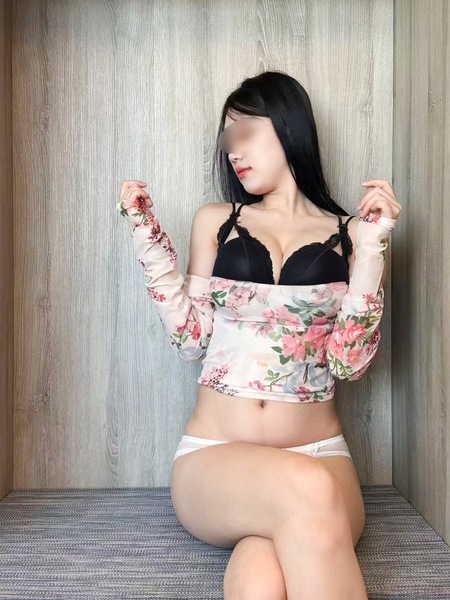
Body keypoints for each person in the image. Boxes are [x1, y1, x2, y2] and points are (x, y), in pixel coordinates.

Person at [117, 70, 402, 600]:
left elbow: (349, 364)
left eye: (245, 133)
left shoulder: (352, 234)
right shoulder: (216, 221)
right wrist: (147, 239)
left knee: (261, 577)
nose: (233, 152)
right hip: (216, 457)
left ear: (288, 126)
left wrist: (372, 248)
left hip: (321, 455)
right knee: (305, 489)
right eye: (227, 140)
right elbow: (191, 340)